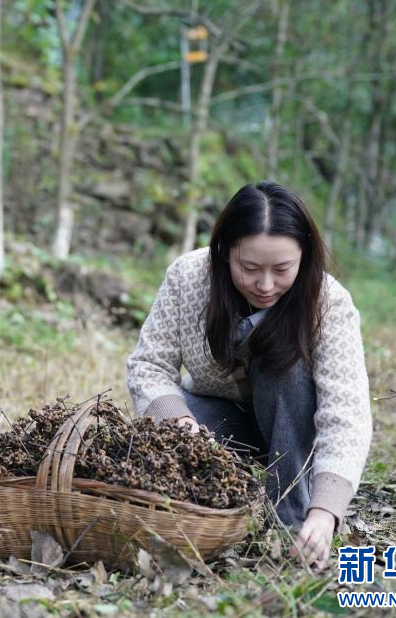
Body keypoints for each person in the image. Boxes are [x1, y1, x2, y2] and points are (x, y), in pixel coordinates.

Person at [127, 181, 371, 572]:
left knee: (286, 365)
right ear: (225, 251)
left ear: (304, 255)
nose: (266, 285)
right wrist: (180, 423)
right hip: (219, 426)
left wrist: (325, 512)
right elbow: (149, 365)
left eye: (282, 269)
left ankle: (290, 525)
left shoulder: (328, 303)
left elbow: (347, 412)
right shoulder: (188, 278)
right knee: (145, 437)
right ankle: (216, 512)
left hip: (296, 432)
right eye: (250, 268)